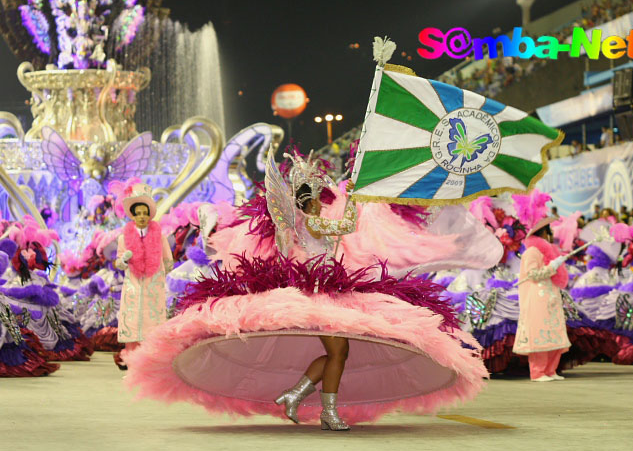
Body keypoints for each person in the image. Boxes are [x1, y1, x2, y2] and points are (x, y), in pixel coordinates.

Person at [123, 149, 500, 430]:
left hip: (326, 288)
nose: (324, 202)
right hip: (319, 292)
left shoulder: (301, 222)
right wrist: (354, 197)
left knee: (341, 352)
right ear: (312, 199)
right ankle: (323, 407)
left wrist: (354, 193)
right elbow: (347, 224)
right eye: (320, 197)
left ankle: (304, 396)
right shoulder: (314, 223)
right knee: (340, 351)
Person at [113, 183, 173, 369]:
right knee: (132, 320)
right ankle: (131, 358)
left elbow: (168, 261)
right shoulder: (124, 238)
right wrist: (123, 260)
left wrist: (158, 276)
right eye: (137, 213)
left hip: (153, 287)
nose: (141, 217)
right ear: (132, 214)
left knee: (152, 321)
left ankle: (151, 359)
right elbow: (118, 264)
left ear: (149, 215)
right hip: (133, 286)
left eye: (144, 213)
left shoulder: (160, 237)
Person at [513, 217, 571, 382]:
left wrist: (556, 264)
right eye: (548, 232)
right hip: (537, 297)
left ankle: (550, 370)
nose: (550, 236)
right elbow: (533, 275)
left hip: (551, 295)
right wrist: (552, 267)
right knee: (539, 331)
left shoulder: (550, 251)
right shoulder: (531, 252)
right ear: (543, 233)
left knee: (554, 331)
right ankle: (538, 371)